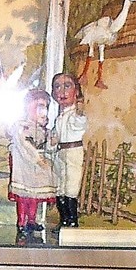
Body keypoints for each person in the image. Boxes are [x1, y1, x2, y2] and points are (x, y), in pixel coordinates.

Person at [8, 88, 55, 241]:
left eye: (45, 107)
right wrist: (38, 159)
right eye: (39, 107)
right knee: (24, 196)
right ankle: (22, 222)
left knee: (34, 194)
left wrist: (52, 141)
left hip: (36, 166)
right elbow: (25, 146)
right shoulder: (22, 127)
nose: (42, 111)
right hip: (24, 165)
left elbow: (48, 146)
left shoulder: (41, 129)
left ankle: (32, 220)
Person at [50, 71, 87, 228]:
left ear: (76, 91)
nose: (62, 91)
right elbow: (56, 135)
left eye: (67, 86)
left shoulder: (74, 115)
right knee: (60, 186)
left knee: (71, 186)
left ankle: (72, 220)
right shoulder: (60, 117)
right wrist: (52, 139)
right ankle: (64, 219)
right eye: (57, 87)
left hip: (72, 152)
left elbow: (79, 124)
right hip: (61, 153)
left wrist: (80, 111)